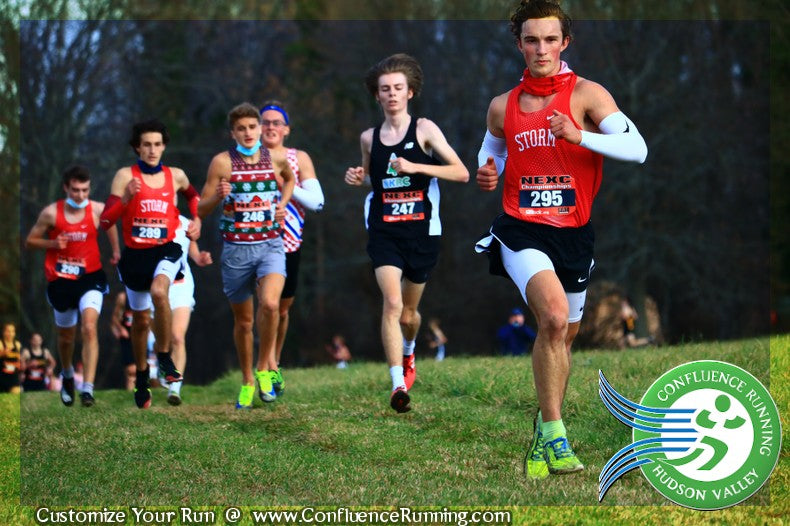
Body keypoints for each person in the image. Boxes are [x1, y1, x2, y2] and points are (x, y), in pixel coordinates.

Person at [474, 0, 647, 479]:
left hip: (574, 232)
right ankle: (556, 432)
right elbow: (491, 149)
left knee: (563, 336)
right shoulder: (502, 105)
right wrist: (489, 173)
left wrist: (579, 136)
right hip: (519, 227)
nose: (541, 49)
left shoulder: (588, 95)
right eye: (531, 40)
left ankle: (539, 426)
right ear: (519, 44)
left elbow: (637, 149)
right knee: (551, 317)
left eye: (551, 39)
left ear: (565, 42)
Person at [345, 54, 469, 413]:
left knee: (410, 314)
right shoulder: (369, 137)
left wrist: (416, 165)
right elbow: (374, 176)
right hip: (384, 230)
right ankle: (397, 384)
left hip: (423, 231)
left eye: (398, 88)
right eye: (385, 89)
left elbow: (460, 172)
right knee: (392, 304)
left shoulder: (425, 130)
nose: (392, 94)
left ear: (410, 92)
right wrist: (358, 178)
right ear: (377, 96)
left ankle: (410, 351)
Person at [99, 119, 202, 409]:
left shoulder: (176, 175)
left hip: (165, 249)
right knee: (141, 321)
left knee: (160, 292)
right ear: (137, 147)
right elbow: (105, 220)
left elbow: (193, 196)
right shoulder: (124, 177)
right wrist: (126, 198)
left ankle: (165, 357)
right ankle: (143, 376)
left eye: (158, 144)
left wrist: (196, 220)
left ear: (164, 146)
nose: (153, 150)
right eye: (147, 144)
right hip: (135, 256)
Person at [199, 102, 295, 409]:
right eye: (241, 128)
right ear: (233, 133)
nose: (249, 133)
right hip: (236, 251)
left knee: (270, 304)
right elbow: (200, 208)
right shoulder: (222, 163)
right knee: (244, 322)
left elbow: (290, 178)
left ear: (261, 129)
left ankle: (265, 368)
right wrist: (218, 196)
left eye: (253, 127)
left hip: (270, 245)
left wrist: (284, 204)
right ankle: (246, 381)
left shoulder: (277, 157)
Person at [25, 165, 120, 407]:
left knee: (89, 328)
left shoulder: (98, 209)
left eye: (85, 190)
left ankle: (87, 388)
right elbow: (30, 241)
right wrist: (53, 243)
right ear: (66, 188)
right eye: (76, 190)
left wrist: (116, 252)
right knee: (66, 338)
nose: (80, 195)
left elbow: (110, 225)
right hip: (61, 280)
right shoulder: (51, 213)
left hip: (91, 277)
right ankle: (67, 374)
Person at [260, 100, 325, 395]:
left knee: (282, 311)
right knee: (264, 306)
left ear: (286, 129)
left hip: (289, 243)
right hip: (253, 242)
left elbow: (318, 202)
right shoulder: (245, 158)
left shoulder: (298, 158)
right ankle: (265, 367)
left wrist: (287, 184)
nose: (270, 127)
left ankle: (274, 359)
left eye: (276, 123)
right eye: (265, 122)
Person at [161, 214, 213, 405]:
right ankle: (162, 364)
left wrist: (200, 258)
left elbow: (194, 252)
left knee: (178, 336)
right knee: (162, 339)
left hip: (180, 285)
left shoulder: (185, 223)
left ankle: (175, 387)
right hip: (156, 287)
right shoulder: (147, 217)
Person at [110, 290, 135, 390]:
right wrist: (121, 329)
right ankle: (130, 393)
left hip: (141, 337)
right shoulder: (123, 298)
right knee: (131, 370)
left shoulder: (147, 295)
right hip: (127, 338)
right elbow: (115, 318)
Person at [0, 323, 22, 394]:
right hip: (2, 376)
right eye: (8, 331)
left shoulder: (18, 345)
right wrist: (2, 353)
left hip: (13, 377)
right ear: (3, 332)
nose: (10, 334)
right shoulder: (0, 344)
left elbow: (20, 361)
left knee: (16, 395)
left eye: (12, 331)